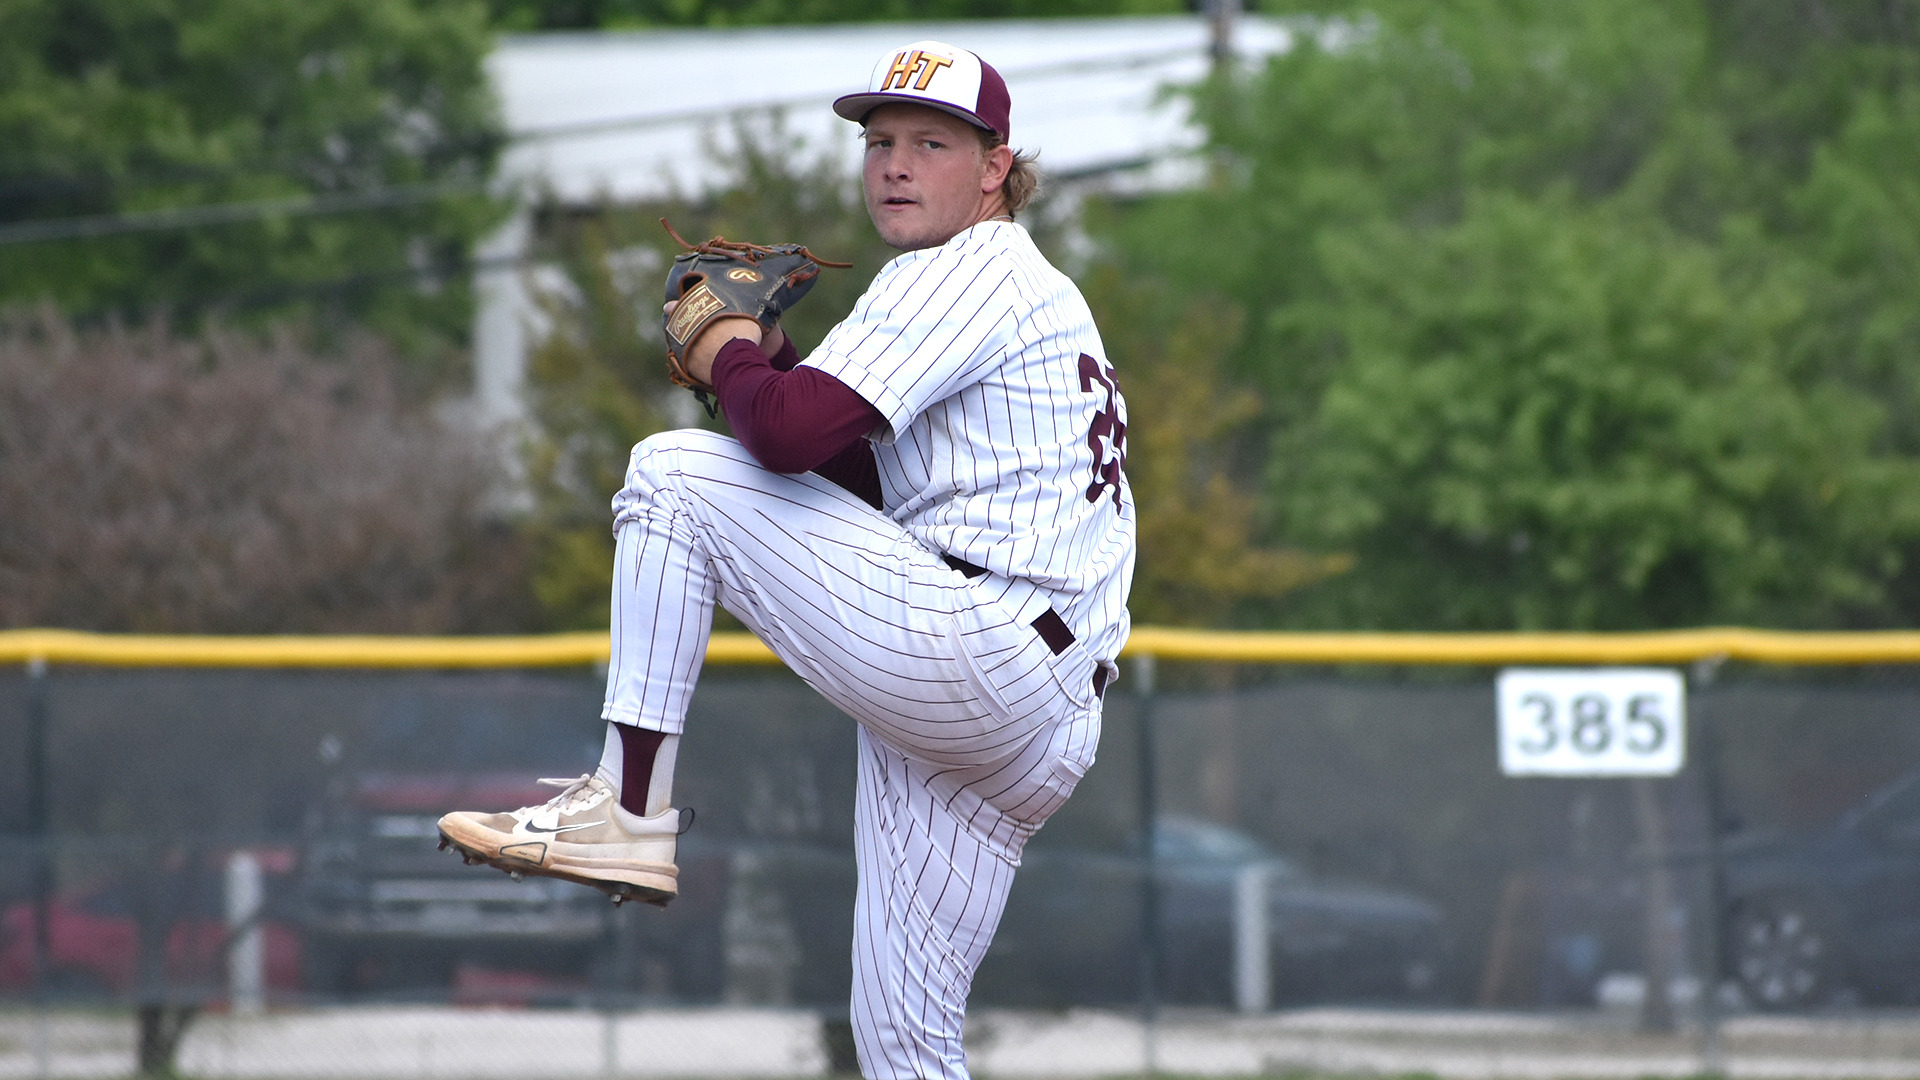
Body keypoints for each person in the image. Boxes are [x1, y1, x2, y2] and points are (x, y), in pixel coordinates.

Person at [438, 39, 1133, 1080]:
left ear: (995, 168)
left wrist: (732, 351)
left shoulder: (967, 267)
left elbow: (784, 438)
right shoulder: (1023, 289)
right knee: (904, 1044)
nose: (895, 164)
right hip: (1019, 714)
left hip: (982, 647)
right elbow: (842, 472)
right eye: (880, 142)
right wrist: (759, 370)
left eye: (931, 144)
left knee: (671, 478)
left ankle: (628, 810)